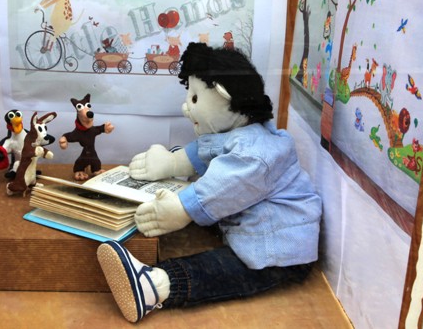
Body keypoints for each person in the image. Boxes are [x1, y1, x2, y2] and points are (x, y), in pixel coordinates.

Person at [96, 42, 322, 323]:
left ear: (225, 96)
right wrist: (171, 162)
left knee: (224, 270)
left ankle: (155, 286)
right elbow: (206, 150)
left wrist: (182, 208)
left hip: (279, 250)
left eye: (194, 99)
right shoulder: (238, 133)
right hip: (250, 228)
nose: (186, 108)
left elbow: (223, 187)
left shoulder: (256, 154)